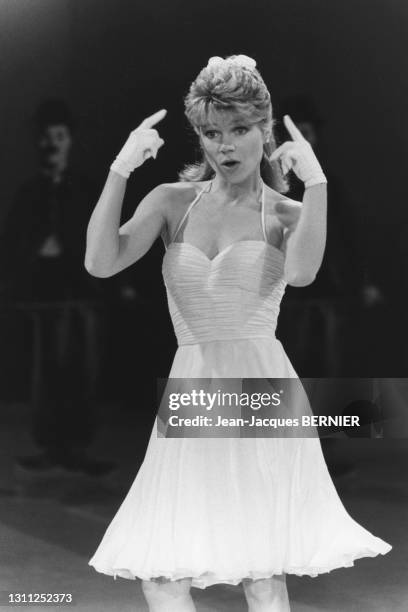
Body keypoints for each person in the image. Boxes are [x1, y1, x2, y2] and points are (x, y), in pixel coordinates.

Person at [86, 55, 391, 612]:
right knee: (165, 572)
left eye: (240, 130)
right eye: (211, 132)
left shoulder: (286, 212)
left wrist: (316, 184)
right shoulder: (170, 201)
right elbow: (100, 262)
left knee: (262, 572)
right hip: (194, 385)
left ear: (264, 130)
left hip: (260, 386)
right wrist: (119, 170)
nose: (225, 146)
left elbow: (301, 274)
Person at [1, 99, 115, 476]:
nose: (52, 144)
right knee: (44, 373)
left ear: (69, 141)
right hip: (42, 300)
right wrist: (35, 250)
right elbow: (13, 243)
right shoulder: (29, 193)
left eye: (60, 137)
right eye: (47, 137)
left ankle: (77, 447)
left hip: (80, 297)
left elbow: (102, 238)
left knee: (81, 371)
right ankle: (50, 446)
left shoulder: (84, 190)